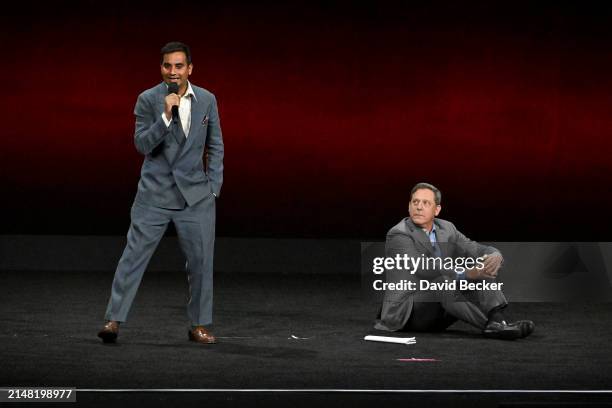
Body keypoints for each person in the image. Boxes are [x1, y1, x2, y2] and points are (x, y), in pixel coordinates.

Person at [98, 41, 224, 344]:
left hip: (195, 197)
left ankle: (199, 325)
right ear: (161, 68)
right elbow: (142, 144)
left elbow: (215, 145)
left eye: (179, 66)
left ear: (189, 68)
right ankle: (113, 320)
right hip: (154, 195)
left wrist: (213, 189)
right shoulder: (148, 100)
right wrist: (166, 116)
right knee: (133, 257)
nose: (173, 72)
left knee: (201, 262)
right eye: (168, 66)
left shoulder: (207, 99)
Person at [374, 182, 534, 340]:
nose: (419, 207)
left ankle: (498, 321)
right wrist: (466, 274)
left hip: (440, 309)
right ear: (409, 206)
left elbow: (474, 249)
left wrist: (494, 255)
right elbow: (423, 268)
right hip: (407, 313)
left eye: (425, 203)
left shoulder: (447, 228)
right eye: (415, 202)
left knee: (483, 272)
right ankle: (490, 326)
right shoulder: (398, 234)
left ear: (436, 209)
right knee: (443, 281)